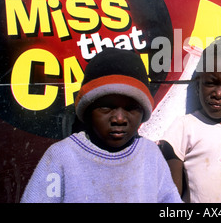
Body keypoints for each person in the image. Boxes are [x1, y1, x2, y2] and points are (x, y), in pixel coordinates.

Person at [21, 48, 182, 203]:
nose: (119, 118)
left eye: (131, 107)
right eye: (106, 107)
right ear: (88, 110)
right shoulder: (62, 157)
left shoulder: (150, 155)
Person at [158, 36, 221, 203]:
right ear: (198, 84)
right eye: (211, 83)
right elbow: (171, 193)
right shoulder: (185, 125)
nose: (218, 94)